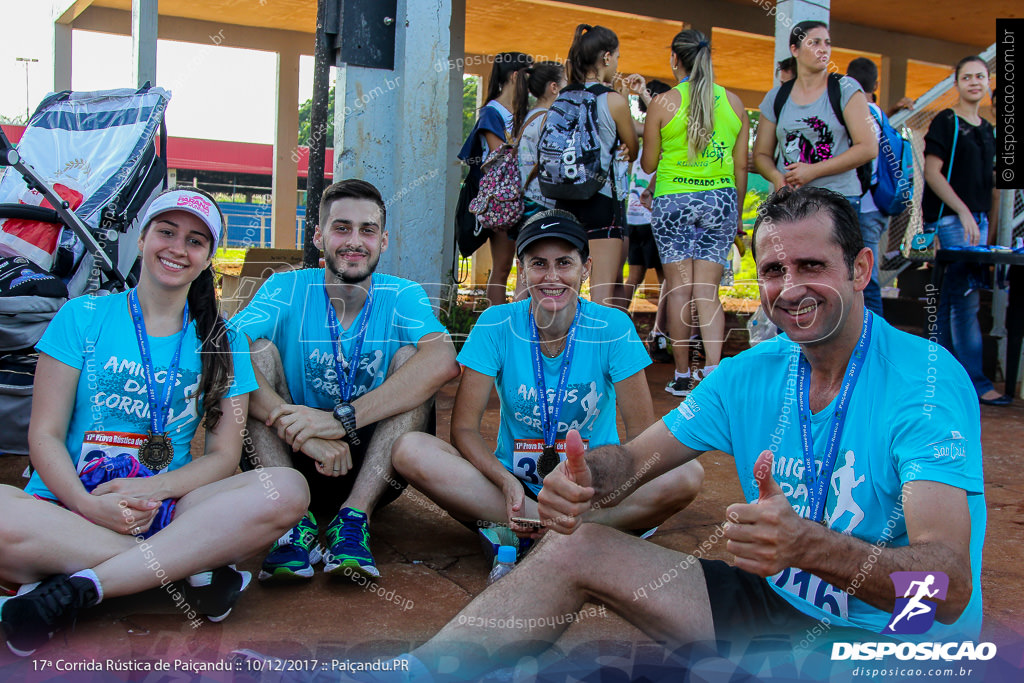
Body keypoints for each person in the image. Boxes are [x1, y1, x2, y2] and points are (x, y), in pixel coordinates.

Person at [405, 186, 985, 678]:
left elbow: (947, 588)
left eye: (812, 267)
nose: (790, 288)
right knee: (572, 546)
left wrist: (807, 545)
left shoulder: (922, 382)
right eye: (774, 271)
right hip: (775, 604)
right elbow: (635, 461)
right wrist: (585, 479)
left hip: (894, 645)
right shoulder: (750, 373)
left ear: (860, 269)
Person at [0, 188, 309, 656]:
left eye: (195, 241)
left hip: (167, 510)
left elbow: (224, 456)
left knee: (287, 489)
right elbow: (43, 434)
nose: (177, 248)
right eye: (166, 232)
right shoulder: (82, 315)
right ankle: (186, 571)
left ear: (208, 258)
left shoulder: (222, 340)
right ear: (143, 238)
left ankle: (76, 587)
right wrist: (87, 503)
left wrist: (154, 490)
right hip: (67, 505)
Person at [391, 210, 703, 543]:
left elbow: (642, 435)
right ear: (521, 271)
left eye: (564, 263)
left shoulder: (613, 327)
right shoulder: (496, 323)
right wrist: (505, 481)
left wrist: (602, 486)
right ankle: (569, 530)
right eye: (538, 264)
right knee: (410, 449)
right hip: (514, 487)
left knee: (686, 474)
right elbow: (464, 429)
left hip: (590, 492)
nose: (551, 277)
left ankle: (541, 531)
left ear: (585, 269)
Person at [232, 179, 460, 582]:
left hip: (373, 465)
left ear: (383, 241)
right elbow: (225, 349)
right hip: (289, 458)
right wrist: (306, 434)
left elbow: (443, 360)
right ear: (319, 235)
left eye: (367, 230)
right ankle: (292, 522)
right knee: (254, 352)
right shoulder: (285, 287)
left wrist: (342, 420)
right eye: (341, 228)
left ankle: (353, 519)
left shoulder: (401, 293)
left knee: (413, 356)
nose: (354, 241)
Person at [641, 29, 749, 397]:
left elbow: (649, 161)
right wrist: (736, 219)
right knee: (707, 291)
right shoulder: (734, 104)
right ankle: (714, 374)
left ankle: (683, 376)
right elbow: (740, 171)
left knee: (679, 291)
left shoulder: (662, 103)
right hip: (719, 201)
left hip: (672, 200)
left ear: (675, 58)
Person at [921, 56, 1008, 406]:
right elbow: (932, 173)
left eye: (981, 77)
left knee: (951, 300)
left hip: (977, 223)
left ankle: (940, 380)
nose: (974, 82)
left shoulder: (988, 129)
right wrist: (962, 212)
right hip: (950, 219)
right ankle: (974, 382)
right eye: (967, 76)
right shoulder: (946, 121)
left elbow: (991, 186)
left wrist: (987, 226)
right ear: (956, 83)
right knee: (964, 301)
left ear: (987, 83)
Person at [556, 24, 639, 310]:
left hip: (563, 198)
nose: (617, 62)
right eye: (617, 56)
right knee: (602, 296)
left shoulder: (562, 97)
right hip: (602, 199)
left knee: (565, 289)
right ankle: (598, 353)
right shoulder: (613, 100)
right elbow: (632, 147)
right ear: (606, 57)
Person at [753, 20, 877, 210]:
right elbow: (761, 154)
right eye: (815, 43)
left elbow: (868, 148)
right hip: (789, 203)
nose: (823, 49)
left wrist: (813, 171)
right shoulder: (776, 97)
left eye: (827, 43)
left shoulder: (846, 88)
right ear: (795, 50)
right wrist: (777, 177)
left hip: (837, 202)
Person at [458, 52, 534, 308]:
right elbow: (502, 154)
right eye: (528, 74)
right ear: (515, 76)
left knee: (516, 267)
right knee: (502, 268)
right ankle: (497, 326)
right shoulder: (493, 112)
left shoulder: (518, 112)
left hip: (518, 197)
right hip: (502, 200)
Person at [845, 57, 888, 317]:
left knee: (865, 279)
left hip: (862, 204)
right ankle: (874, 340)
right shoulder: (880, 115)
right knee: (867, 276)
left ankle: (875, 342)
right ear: (877, 83)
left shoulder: (857, 112)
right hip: (877, 205)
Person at [518, 61, 566, 220]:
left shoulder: (528, 118)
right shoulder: (550, 119)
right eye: (566, 83)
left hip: (525, 199)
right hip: (543, 203)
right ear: (554, 87)